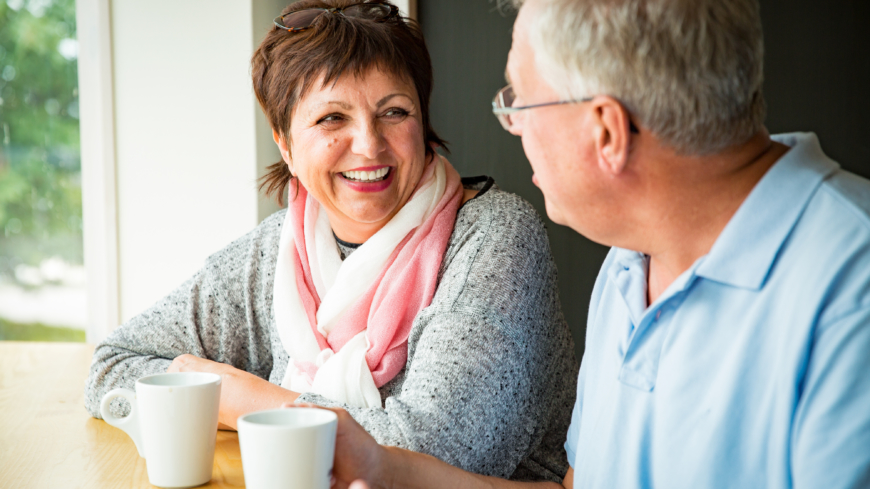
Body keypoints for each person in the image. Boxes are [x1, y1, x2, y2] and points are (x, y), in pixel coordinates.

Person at [318, 0, 870, 487]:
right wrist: (387, 471)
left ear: (605, 131)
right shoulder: (630, 262)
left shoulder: (851, 295)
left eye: (520, 102)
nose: (512, 125)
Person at [84, 0, 579, 482]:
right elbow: (112, 367)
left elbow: (435, 453)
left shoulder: (494, 237)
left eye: (394, 112)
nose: (369, 144)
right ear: (284, 141)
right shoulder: (276, 251)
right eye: (331, 118)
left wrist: (241, 398)